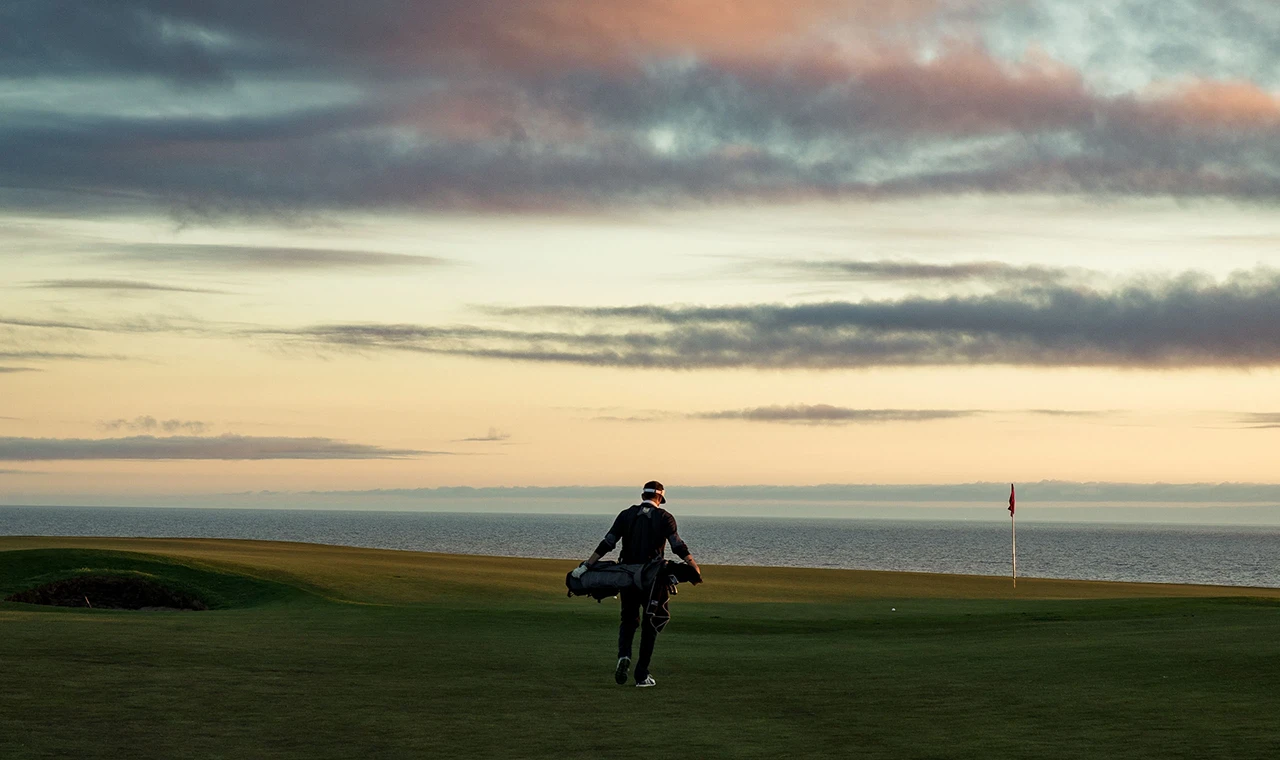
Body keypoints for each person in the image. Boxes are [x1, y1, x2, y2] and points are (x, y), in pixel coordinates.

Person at [570, 480, 699, 688]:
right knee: (651, 625)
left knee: (628, 621)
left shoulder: (626, 515)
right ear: (660, 498)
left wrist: (587, 565)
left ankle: (624, 655)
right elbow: (677, 544)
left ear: (642, 497)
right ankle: (642, 675)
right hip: (653, 579)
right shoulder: (665, 517)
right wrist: (693, 565)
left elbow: (608, 542)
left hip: (627, 577)